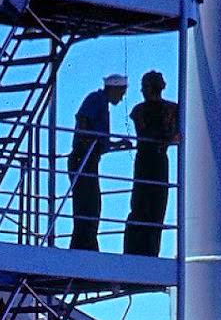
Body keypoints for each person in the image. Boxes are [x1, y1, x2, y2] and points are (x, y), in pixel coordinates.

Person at [68, 74, 129, 250]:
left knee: (90, 205)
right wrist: (86, 140)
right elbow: (83, 119)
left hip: (88, 158)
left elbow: (100, 139)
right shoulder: (96, 99)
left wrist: (116, 144)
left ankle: (85, 243)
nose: (121, 97)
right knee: (88, 205)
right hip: (83, 158)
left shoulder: (101, 102)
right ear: (114, 89)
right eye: (121, 92)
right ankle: (83, 245)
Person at [123, 70, 180, 257]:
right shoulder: (171, 110)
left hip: (150, 160)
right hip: (153, 159)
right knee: (148, 206)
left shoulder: (141, 111)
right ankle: (145, 251)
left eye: (145, 86)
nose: (142, 90)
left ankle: (140, 251)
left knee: (149, 206)